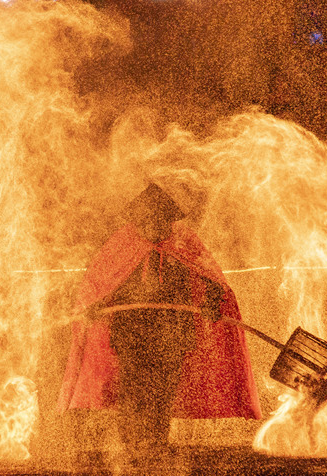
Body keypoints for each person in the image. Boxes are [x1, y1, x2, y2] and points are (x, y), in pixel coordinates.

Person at [57, 183, 262, 459]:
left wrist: (211, 304)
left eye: (160, 220)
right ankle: (132, 445)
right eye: (148, 220)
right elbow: (99, 281)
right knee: (132, 386)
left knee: (163, 388)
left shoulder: (184, 242)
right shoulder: (124, 242)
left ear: (169, 220)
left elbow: (212, 279)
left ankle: (155, 443)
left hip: (174, 331)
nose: (154, 226)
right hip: (131, 331)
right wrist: (93, 305)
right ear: (138, 220)